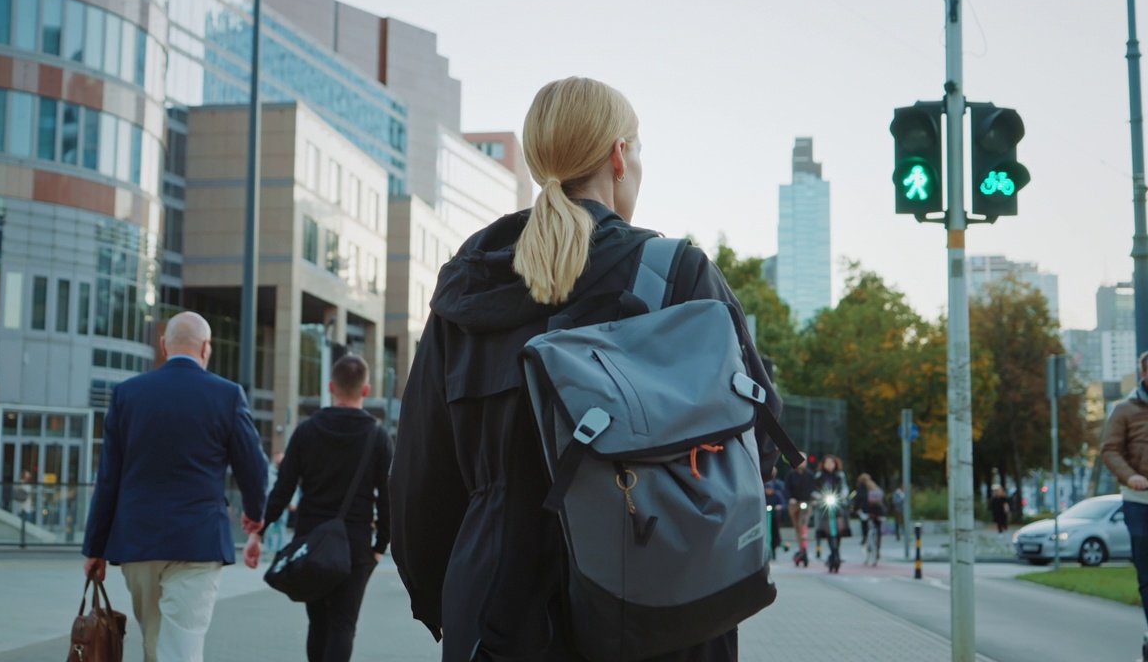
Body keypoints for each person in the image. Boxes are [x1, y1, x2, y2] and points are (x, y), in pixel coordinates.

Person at [390, 77, 782, 662]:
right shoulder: (677, 274)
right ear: (618, 156)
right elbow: (758, 441)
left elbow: (420, 478)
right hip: (659, 613)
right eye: (639, 149)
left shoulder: (468, 286)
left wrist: (444, 599)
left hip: (498, 616)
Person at [82, 312, 269, 662]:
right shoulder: (227, 395)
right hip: (197, 542)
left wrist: (95, 546)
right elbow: (254, 467)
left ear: (164, 346)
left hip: (138, 543)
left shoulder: (127, 394)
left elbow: (108, 477)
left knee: (154, 644)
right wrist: (256, 518)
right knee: (179, 647)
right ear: (206, 347)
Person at [247, 354, 392, 662]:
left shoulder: (306, 431)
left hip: (311, 542)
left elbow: (283, 490)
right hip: (355, 546)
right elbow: (387, 497)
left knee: (319, 623)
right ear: (365, 390)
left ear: (331, 387)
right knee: (343, 625)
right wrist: (380, 545)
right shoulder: (377, 437)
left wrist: (258, 533)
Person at [1099, 349, 1148, 659]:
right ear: (1144, 374)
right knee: (1146, 567)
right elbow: (1110, 449)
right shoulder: (1125, 410)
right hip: (1139, 499)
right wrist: (1130, 476)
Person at [784, 461, 815, 546]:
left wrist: (813, 499)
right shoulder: (790, 474)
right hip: (794, 504)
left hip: (806, 503)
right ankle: (801, 547)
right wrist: (790, 499)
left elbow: (814, 488)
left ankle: (804, 546)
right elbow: (787, 488)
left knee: (803, 524)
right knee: (797, 526)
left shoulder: (810, 474)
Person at [764, 481, 785, 558]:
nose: (769, 490)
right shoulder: (763, 496)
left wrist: (779, 507)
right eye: (767, 489)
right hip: (765, 517)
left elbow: (782, 504)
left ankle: (774, 549)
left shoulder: (776, 496)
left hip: (774, 516)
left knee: (775, 533)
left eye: (770, 489)